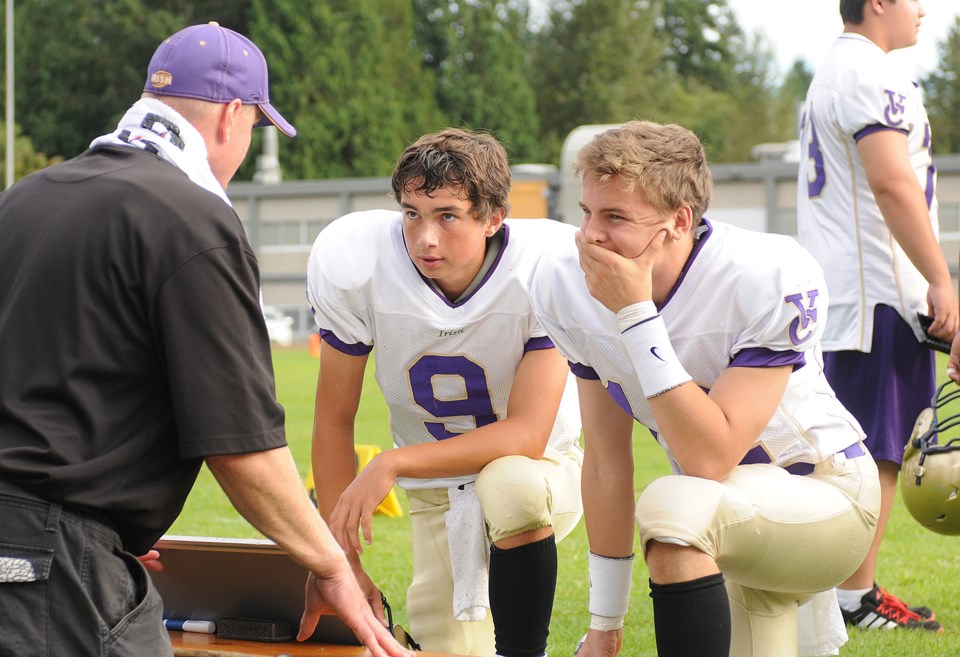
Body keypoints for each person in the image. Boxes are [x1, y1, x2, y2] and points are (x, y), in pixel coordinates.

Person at [0, 23, 408, 657]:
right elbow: (243, 451)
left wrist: (111, 514)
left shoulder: (24, 199)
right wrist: (331, 565)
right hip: (51, 566)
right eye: (253, 129)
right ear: (231, 117)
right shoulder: (191, 219)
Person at [528, 120, 882, 657]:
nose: (591, 235)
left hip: (825, 495)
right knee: (683, 510)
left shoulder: (762, 271)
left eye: (616, 217)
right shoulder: (563, 284)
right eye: (587, 212)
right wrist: (605, 621)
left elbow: (709, 456)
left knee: (673, 504)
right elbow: (604, 462)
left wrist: (635, 314)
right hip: (720, 521)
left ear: (679, 220)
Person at [306, 128, 584, 657]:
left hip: (544, 470)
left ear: (494, 217)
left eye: (447, 216)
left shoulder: (546, 266)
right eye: (412, 213)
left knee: (511, 482)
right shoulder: (355, 262)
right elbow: (333, 420)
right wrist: (340, 564)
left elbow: (527, 434)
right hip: (435, 491)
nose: (425, 237)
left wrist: (391, 462)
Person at [796, 0, 956, 633]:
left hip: (851, 290)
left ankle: (843, 592)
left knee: (863, 447)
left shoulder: (838, 69)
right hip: (875, 295)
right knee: (877, 451)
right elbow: (892, 182)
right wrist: (941, 278)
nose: (925, 10)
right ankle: (851, 599)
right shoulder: (868, 71)